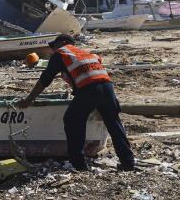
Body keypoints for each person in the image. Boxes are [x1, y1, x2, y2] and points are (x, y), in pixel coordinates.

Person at [16, 34, 135, 172]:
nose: (53, 49)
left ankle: (78, 164)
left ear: (65, 43)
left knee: (72, 119)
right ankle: (128, 162)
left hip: (90, 88)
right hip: (107, 87)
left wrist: (29, 100)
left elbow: (45, 79)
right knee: (114, 123)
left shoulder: (62, 53)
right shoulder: (86, 54)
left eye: (54, 45)